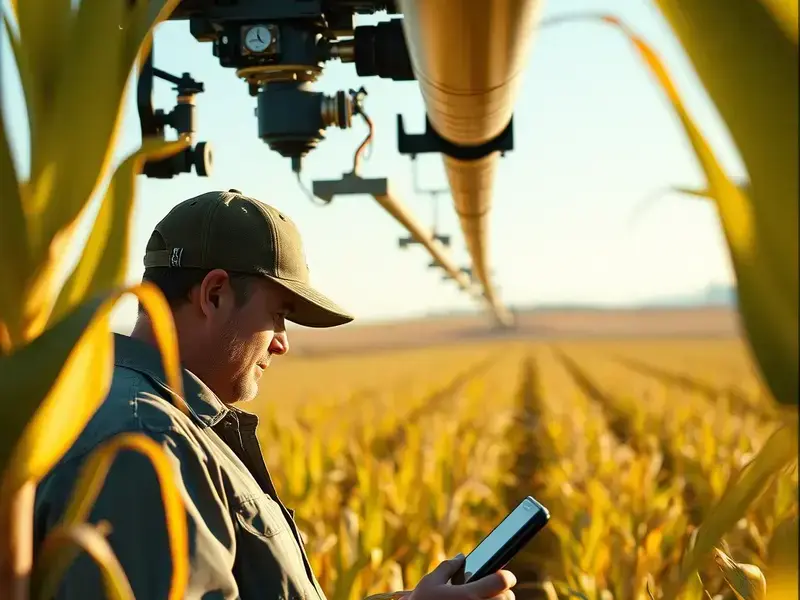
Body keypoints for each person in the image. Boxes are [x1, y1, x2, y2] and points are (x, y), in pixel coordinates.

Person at [33, 190, 518, 600]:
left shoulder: (139, 412)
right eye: (278, 313)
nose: (283, 342)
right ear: (215, 294)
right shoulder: (149, 442)